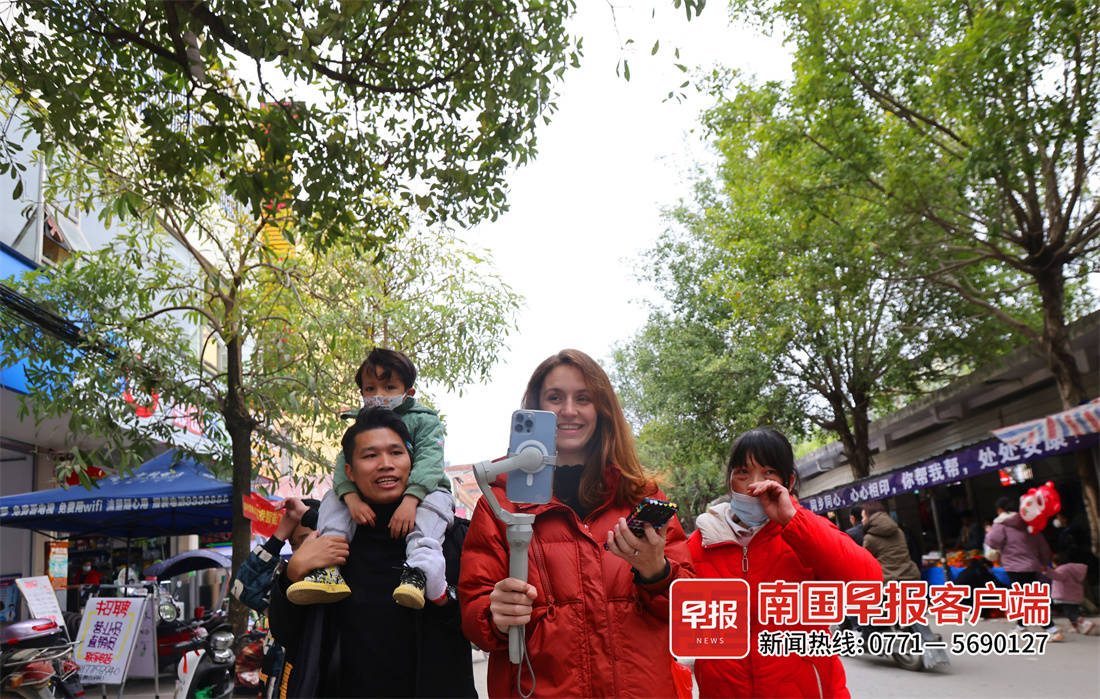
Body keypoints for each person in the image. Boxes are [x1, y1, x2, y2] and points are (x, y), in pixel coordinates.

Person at [459, 349, 694, 698]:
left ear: (602, 410)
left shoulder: (641, 496)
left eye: (583, 398)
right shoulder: (500, 502)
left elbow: (689, 609)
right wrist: (496, 615)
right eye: (555, 398)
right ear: (536, 408)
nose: (569, 410)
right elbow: (474, 613)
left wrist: (656, 572)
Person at [269, 408, 475, 698]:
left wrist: (443, 596)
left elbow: (479, 629)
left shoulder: (452, 538)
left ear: (412, 462)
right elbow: (287, 633)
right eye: (370, 456)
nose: (386, 464)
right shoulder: (329, 545)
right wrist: (291, 574)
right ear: (349, 472)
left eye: (396, 453)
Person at [688, 427, 882, 698]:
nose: (754, 485)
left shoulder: (807, 532)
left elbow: (867, 584)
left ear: (788, 481)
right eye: (743, 472)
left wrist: (793, 521)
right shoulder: (702, 541)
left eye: (768, 472)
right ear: (730, 480)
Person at [288, 348, 452, 610]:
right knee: (334, 497)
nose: (380, 395)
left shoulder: (424, 420)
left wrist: (411, 499)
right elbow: (342, 465)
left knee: (435, 504)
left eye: (389, 387)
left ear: (408, 392)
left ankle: (419, 570)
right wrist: (351, 497)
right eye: (371, 388)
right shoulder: (360, 424)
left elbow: (430, 462)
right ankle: (328, 567)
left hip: (426, 491)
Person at [984, 495, 1062, 639]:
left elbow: (993, 542)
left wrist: (989, 531)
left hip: (1015, 567)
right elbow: (1042, 544)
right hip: (1033, 565)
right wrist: (1044, 562)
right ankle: (1021, 626)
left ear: (1000, 510)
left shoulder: (1001, 524)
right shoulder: (1029, 522)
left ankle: (1051, 628)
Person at [1043, 553, 1094, 635]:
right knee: (1072, 613)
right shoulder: (1073, 569)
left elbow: (1058, 576)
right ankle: (1076, 628)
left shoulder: (1062, 569)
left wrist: (1047, 571)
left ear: (1055, 562)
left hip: (1066, 596)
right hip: (1075, 596)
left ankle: (1086, 623)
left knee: (1070, 614)